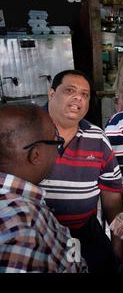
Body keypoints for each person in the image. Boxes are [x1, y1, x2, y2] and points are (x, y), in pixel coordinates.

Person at [40, 70, 123, 273]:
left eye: (85, 94)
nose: (78, 97)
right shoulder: (29, 130)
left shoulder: (98, 138)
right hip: (37, 234)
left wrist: (118, 243)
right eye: (70, 90)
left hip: (84, 231)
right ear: (51, 94)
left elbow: (112, 197)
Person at [0, 104, 87, 273]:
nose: (57, 150)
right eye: (56, 141)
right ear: (36, 155)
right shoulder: (21, 228)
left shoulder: (26, 205)